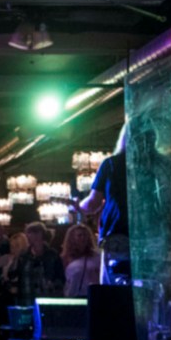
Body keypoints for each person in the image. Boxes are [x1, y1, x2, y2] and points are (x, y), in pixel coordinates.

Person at [78, 124, 130, 285]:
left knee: (115, 290)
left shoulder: (112, 164)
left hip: (119, 236)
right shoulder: (159, 164)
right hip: (153, 238)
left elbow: (92, 203)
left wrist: (77, 206)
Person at [9, 221, 65, 306]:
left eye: (37, 233)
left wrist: (53, 284)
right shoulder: (23, 256)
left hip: (47, 298)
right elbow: (13, 276)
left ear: (43, 234)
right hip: (26, 299)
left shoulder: (52, 255)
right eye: (31, 233)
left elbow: (61, 277)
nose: (34, 236)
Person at [61, 223, 101, 297]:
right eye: (79, 235)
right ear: (72, 238)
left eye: (85, 235)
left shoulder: (96, 256)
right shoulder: (65, 257)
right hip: (73, 296)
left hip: (93, 295)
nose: (83, 238)